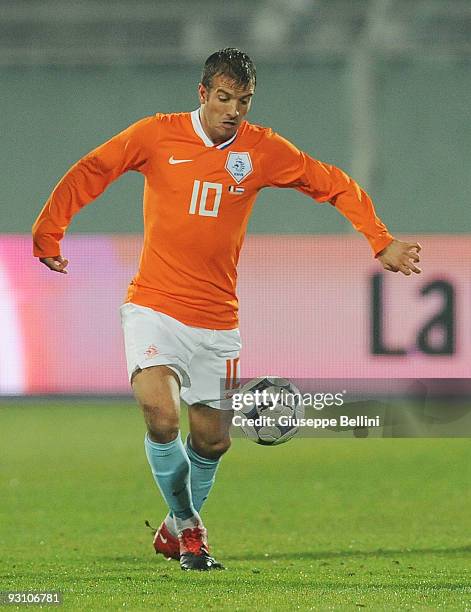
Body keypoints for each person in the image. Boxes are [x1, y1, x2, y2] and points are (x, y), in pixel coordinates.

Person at [32, 48, 422, 571]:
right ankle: (192, 529)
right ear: (202, 94)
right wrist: (48, 230)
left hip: (216, 321)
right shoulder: (156, 135)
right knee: (159, 412)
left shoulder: (262, 150)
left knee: (211, 441)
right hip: (153, 305)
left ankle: (174, 525)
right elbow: (93, 170)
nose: (233, 110)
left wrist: (381, 240)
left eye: (244, 101)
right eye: (223, 98)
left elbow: (332, 183)